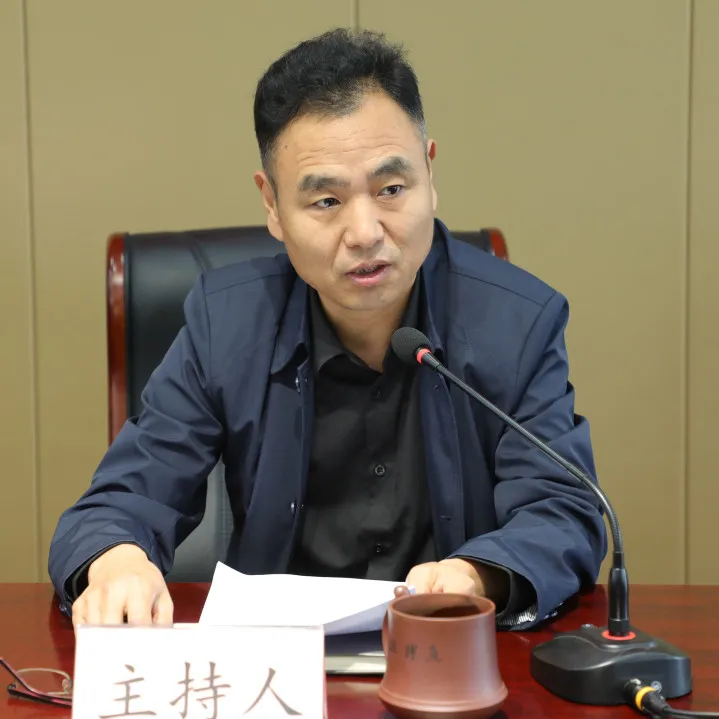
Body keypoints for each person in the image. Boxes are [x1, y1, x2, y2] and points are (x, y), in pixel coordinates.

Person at [48, 28, 606, 631]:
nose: (365, 233)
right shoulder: (227, 324)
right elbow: (122, 501)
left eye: (391, 189)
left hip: (444, 653)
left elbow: (563, 510)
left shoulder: (518, 322)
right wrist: (118, 560)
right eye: (326, 202)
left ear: (430, 172)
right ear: (272, 205)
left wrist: (477, 575)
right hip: (274, 661)